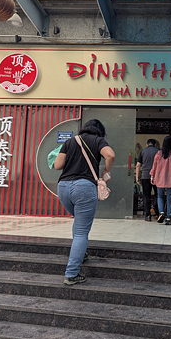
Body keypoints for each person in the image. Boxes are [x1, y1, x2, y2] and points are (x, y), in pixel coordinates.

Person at [53, 119, 115, 286]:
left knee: (79, 224)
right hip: (84, 187)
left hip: (63, 187)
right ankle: (72, 274)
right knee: (81, 231)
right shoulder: (98, 140)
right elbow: (110, 155)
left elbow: (57, 165)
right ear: (100, 131)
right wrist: (107, 170)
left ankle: (80, 252)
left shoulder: (70, 141)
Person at [149, 136, 171, 225]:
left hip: (160, 178)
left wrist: (152, 176)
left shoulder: (159, 153)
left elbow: (154, 166)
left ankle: (161, 212)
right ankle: (168, 218)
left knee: (160, 196)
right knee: (170, 198)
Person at [135, 138, 159, 221]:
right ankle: (154, 209)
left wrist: (137, 177)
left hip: (145, 176)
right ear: (155, 144)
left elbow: (138, 165)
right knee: (157, 194)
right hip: (156, 176)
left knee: (146, 195)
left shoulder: (143, 151)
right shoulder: (158, 151)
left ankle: (147, 215)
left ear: (147, 144)